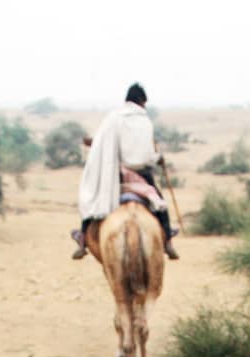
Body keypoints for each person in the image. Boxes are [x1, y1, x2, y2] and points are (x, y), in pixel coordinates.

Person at [71, 83, 179, 261]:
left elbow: (102, 143)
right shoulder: (145, 121)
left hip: (114, 174)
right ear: (142, 101)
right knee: (159, 202)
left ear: (127, 99)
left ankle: (83, 239)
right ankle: (167, 240)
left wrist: (93, 143)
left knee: (96, 200)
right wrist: (158, 158)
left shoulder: (113, 118)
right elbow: (146, 155)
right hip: (140, 173)